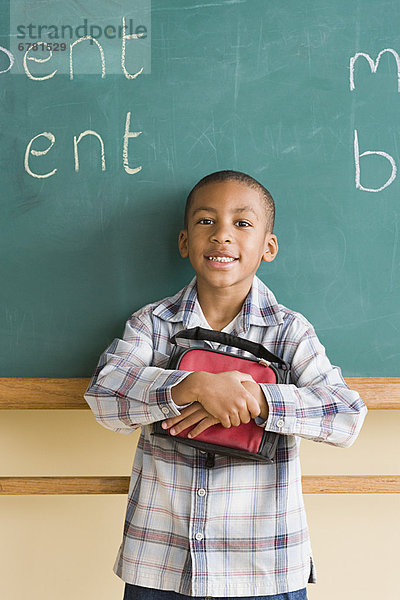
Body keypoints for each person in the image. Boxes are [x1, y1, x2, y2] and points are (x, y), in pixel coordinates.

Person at [84, 170, 367, 600]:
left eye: (242, 223)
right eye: (205, 221)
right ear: (184, 242)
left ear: (268, 247)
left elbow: (345, 416)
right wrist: (191, 385)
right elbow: (105, 395)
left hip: (264, 567)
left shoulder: (289, 331)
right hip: (161, 562)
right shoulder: (153, 324)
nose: (222, 236)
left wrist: (258, 398)